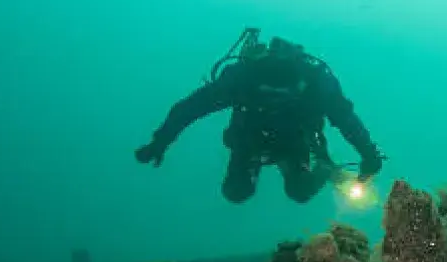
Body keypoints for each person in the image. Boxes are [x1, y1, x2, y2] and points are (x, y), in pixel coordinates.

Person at [134, 29, 384, 204]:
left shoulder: (315, 83)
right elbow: (191, 107)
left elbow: (345, 118)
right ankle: (320, 169)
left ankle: (325, 169)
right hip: (250, 138)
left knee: (300, 191)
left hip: (295, 140)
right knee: (236, 191)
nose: (274, 95)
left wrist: (369, 154)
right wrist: (161, 141)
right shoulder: (243, 80)